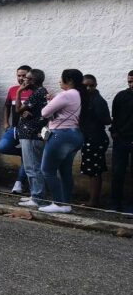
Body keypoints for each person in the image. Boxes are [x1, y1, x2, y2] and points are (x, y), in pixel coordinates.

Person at [38, 69, 87, 213]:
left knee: (47, 170)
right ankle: (66, 204)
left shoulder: (66, 94)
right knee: (65, 170)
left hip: (60, 135)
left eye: (61, 78)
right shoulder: (78, 94)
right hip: (75, 134)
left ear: (69, 80)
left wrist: (51, 103)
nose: (59, 81)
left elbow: (44, 112)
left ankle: (58, 203)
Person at [15, 69, 49, 209]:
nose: (23, 80)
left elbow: (18, 109)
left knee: (33, 167)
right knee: (32, 166)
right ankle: (35, 195)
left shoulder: (38, 93)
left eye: (27, 78)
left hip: (31, 134)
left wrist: (18, 92)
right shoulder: (40, 93)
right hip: (30, 133)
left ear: (33, 81)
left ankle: (38, 198)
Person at [79, 74, 111, 207]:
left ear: (96, 85)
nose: (88, 88)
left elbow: (107, 120)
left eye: (91, 85)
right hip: (89, 138)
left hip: (96, 138)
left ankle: (93, 201)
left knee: (95, 171)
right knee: (92, 171)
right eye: (85, 85)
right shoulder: (86, 99)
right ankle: (92, 200)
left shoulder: (97, 101)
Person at [0, 65, 33, 194]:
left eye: (24, 75)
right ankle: (22, 153)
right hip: (14, 128)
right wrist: (5, 122)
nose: (21, 78)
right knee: (2, 147)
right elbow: (7, 106)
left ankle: (19, 183)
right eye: (19, 75)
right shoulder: (13, 89)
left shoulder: (36, 91)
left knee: (28, 156)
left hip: (29, 130)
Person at [111, 70, 133, 214]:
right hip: (121, 140)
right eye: (129, 81)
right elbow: (115, 116)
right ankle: (115, 205)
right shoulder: (121, 96)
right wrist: (114, 132)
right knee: (118, 172)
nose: (131, 84)